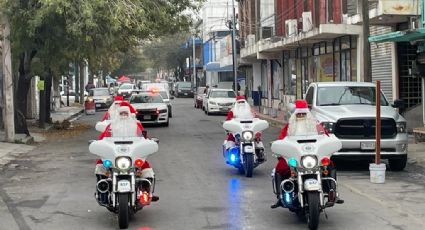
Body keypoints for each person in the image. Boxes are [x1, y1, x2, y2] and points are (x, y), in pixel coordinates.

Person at [271, 99, 340, 208]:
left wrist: (329, 146)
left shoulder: (316, 125)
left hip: (313, 157)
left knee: (329, 165)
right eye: (299, 114)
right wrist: (280, 149)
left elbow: (325, 137)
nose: (301, 116)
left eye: (304, 113)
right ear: (295, 114)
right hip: (296, 158)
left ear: (308, 114)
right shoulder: (289, 127)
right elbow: (281, 139)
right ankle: (281, 196)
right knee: (280, 167)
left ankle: (332, 191)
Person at [96, 106, 158, 201]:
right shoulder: (111, 126)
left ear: (129, 114)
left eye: (125, 113)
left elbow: (144, 139)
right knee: (100, 165)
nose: (123, 116)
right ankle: (102, 191)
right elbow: (103, 138)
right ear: (118, 115)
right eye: (121, 113)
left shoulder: (136, 125)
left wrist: (148, 143)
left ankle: (146, 192)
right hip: (115, 154)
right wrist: (99, 145)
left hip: (132, 154)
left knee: (146, 167)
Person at [224, 96, 265, 161]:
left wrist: (259, 127)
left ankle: (260, 153)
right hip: (237, 131)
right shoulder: (232, 111)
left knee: (257, 139)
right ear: (236, 103)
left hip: (249, 131)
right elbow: (228, 121)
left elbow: (257, 120)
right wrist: (228, 128)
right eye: (239, 102)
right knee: (231, 139)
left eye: (243, 102)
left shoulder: (251, 111)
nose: (241, 104)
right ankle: (230, 155)